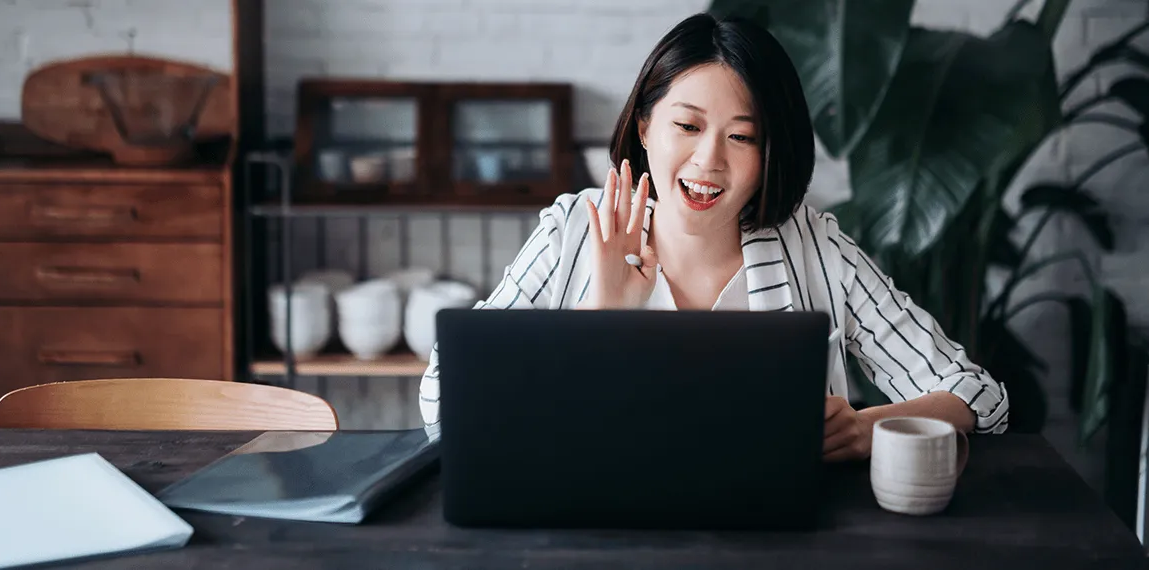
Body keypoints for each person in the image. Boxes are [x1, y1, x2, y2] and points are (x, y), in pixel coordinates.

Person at [418, 12, 1009, 461]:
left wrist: (862, 428)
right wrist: (600, 317)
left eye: (743, 137)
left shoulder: (815, 248)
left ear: (770, 153)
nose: (709, 161)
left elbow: (978, 396)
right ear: (645, 126)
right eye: (688, 125)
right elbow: (445, 400)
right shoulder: (574, 231)